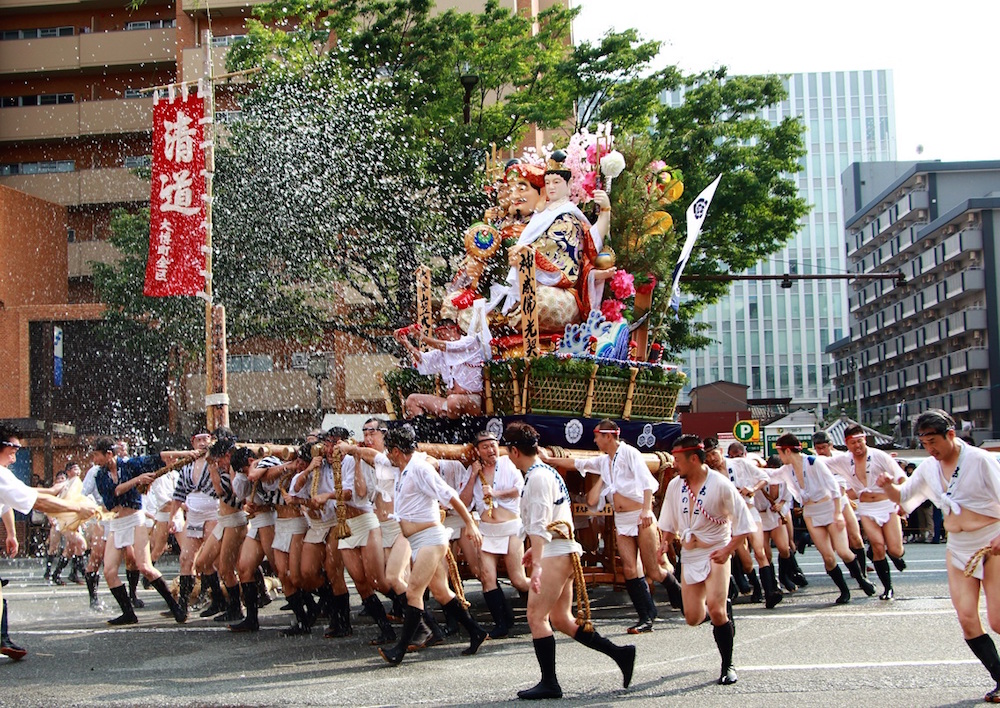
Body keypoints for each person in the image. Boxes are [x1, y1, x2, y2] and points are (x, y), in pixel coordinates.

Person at [505, 421, 635, 699]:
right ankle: (620, 653)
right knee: (561, 619)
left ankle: (550, 683)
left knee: (536, 617)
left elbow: (540, 525)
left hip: (555, 552)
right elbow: (545, 519)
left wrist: (537, 564)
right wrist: (534, 551)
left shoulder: (537, 476)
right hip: (560, 549)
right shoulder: (544, 471)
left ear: (514, 451)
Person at [878, 409, 1000, 704]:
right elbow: (904, 496)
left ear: (950, 434)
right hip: (958, 545)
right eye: (924, 443)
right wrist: (887, 487)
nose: (930, 449)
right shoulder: (929, 468)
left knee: (998, 621)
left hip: (991, 541)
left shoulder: (980, 460)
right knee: (968, 619)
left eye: (934, 441)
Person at [355, 424, 487, 665]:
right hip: (416, 539)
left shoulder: (419, 468)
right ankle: (476, 631)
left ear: (395, 451)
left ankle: (400, 649)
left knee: (414, 592)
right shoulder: (403, 468)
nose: (387, 457)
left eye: (389, 452)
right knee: (440, 591)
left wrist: (470, 524)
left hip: (430, 538)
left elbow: (450, 496)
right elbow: (376, 457)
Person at [543, 419, 682, 634]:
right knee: (629, 569)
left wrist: (646, 510)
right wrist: (549, 459)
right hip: (622, 518)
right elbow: (577, 463)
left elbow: (647, 483)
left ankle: (679, 594)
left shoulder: (630, 453)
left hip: (639, 515)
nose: (595, 440)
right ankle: (646, 615)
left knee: (653, 570)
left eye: (597, 436)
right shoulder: (604, 460)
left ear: (608, 436)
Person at [657, 434, 753, 686]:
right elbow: (667, 520)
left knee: (717, 612)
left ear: (693, 459)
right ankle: (721, 608)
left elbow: (744, 526)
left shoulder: (721, 484)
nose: (674, 464)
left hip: (716, 551)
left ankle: (727, 665)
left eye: (677, 459)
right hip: (690, 554)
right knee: (692, 617)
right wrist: (665, 542)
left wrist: (728, 549)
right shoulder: (675, 485)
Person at [0, 424, 95, 660]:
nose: (16, 454)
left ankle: (2, 638)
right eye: (13, 448)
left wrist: (12, 533)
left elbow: (18, 496)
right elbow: (37, 503)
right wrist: (76, 507)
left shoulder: (4, 474)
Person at [493, 152, 615, 333]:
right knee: (507, 297)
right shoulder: (540, 217)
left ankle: (510, 322)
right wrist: (520, 255)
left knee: (540, 301)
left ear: (569, 184)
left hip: (561, 290)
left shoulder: (573, 216)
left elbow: (590, 245)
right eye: (548, 182)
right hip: (532, 282)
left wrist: (605, 210)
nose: (551, 187)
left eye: (556, 182)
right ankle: (506, 321)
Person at [90, 436, 189, 626]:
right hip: (116, 522)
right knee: (109, 571)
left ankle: (175, 607)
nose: (95, 459)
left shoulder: (129, 465)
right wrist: (137, 480)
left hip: (135, 518)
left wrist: (187, 454)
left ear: (108, 454)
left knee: (145, 566)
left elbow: (156, 458)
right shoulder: (99, 475)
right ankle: (128, 613)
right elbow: (113, 494)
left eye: (97, 455)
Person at [769, 434, 876, 604]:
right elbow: (768, 476)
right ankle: (844, 591)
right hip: (811, 511)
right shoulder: (787, 469)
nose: (780, 457)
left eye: (780, 453)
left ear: (787, 451)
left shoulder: (813, 462)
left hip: (830, 507)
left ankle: (862, 579)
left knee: (843, 551)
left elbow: (834, 487)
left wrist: (838, 514)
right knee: (828, 557)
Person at [459, 430, 530, 639]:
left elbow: (520, 489)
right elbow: (463, 502)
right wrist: (473, 475)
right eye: (485, 447)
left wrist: (496, 493)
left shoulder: (509, 462)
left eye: (493, 445)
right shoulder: (474, 469)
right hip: (487, 529)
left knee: (517, 578)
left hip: (510, 526)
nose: (491, 450)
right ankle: (502, 622)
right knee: (486, 577)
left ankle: (545, 610)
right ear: (478, 450)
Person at [824, 425, 906, 600]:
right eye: (853, 443)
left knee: (896, 550)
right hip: (867, 507)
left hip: (887, 504)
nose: (857, 446)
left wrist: (902, 498)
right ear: (847, 443)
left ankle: (895, 555)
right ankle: (887, 588)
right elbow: (817, 463)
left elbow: (901, 476)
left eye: (860, 441)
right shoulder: (844, 460)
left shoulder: (879, 456)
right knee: (877, 545)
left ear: (865, 440)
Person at [162, 429, 217, 619]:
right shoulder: (186, 466)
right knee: (186, 559)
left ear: (212, 441)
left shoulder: (217, 462)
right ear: (193, 443)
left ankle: (217, 598)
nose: (202, 443)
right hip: (193, 514)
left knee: (211, 559)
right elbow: (178, 495)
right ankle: (182, 606)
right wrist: (172, 517)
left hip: (214, 512)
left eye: (206, 439)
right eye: (199, 440)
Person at [719, 442, 782, 609]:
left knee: (760, 551)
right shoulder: (711, 472)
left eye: (714, 454)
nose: (712, 459)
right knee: (745, 559)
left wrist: (752, 488)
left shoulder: (743, 463)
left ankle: (770, 592)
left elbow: (764, 477)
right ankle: (756, 587)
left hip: (750, 510)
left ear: (719, 452)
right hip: (732, 517)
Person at [397, 320, 485, 419]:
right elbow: (422, 359)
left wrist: (422, 337)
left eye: (443, 333)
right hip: (450, 402)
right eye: (438, 334)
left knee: (453, 401)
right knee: (412, 400)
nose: (440, 336)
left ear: (454, 330)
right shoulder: (441, 353)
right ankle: (424, 431)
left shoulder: (468, 341)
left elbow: (444, 345)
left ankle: (450, 430)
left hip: (471, 401)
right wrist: (406, 343)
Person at [813, 430, 869, 580]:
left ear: (830, 445)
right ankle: (840, 575)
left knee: (855, 537)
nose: (822, 451)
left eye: (824, 447)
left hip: (843, 500)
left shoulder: (841, 458)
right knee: (831, 547)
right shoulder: (814, 462)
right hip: (825, 504)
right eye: (818, 448)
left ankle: (862, 574)